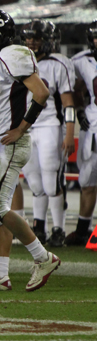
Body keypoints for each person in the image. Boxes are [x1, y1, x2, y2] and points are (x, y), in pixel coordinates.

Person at [0, 9, 60, 292]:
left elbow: (41, 93)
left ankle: (43, 257)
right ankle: (0, 275)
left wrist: (21, 128)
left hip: (11, 142)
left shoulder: (12, 53)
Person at [21, 20, 75, 248]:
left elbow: (68, 102)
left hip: (50, 125)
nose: (32, 42)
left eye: (37, 38)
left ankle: (59, 229)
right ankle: (39, 227)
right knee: (34, 181)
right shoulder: (18, 61)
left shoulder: (58, 63)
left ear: (48, 40)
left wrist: (70, 133)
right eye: (29, 38)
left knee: (51, 179)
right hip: (26, 127)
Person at [70, 21, 97, 246]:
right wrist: (79, 110)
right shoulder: (81, 60)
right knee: (87, 180)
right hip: (94, 125)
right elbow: (74, 87)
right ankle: (81, 231)